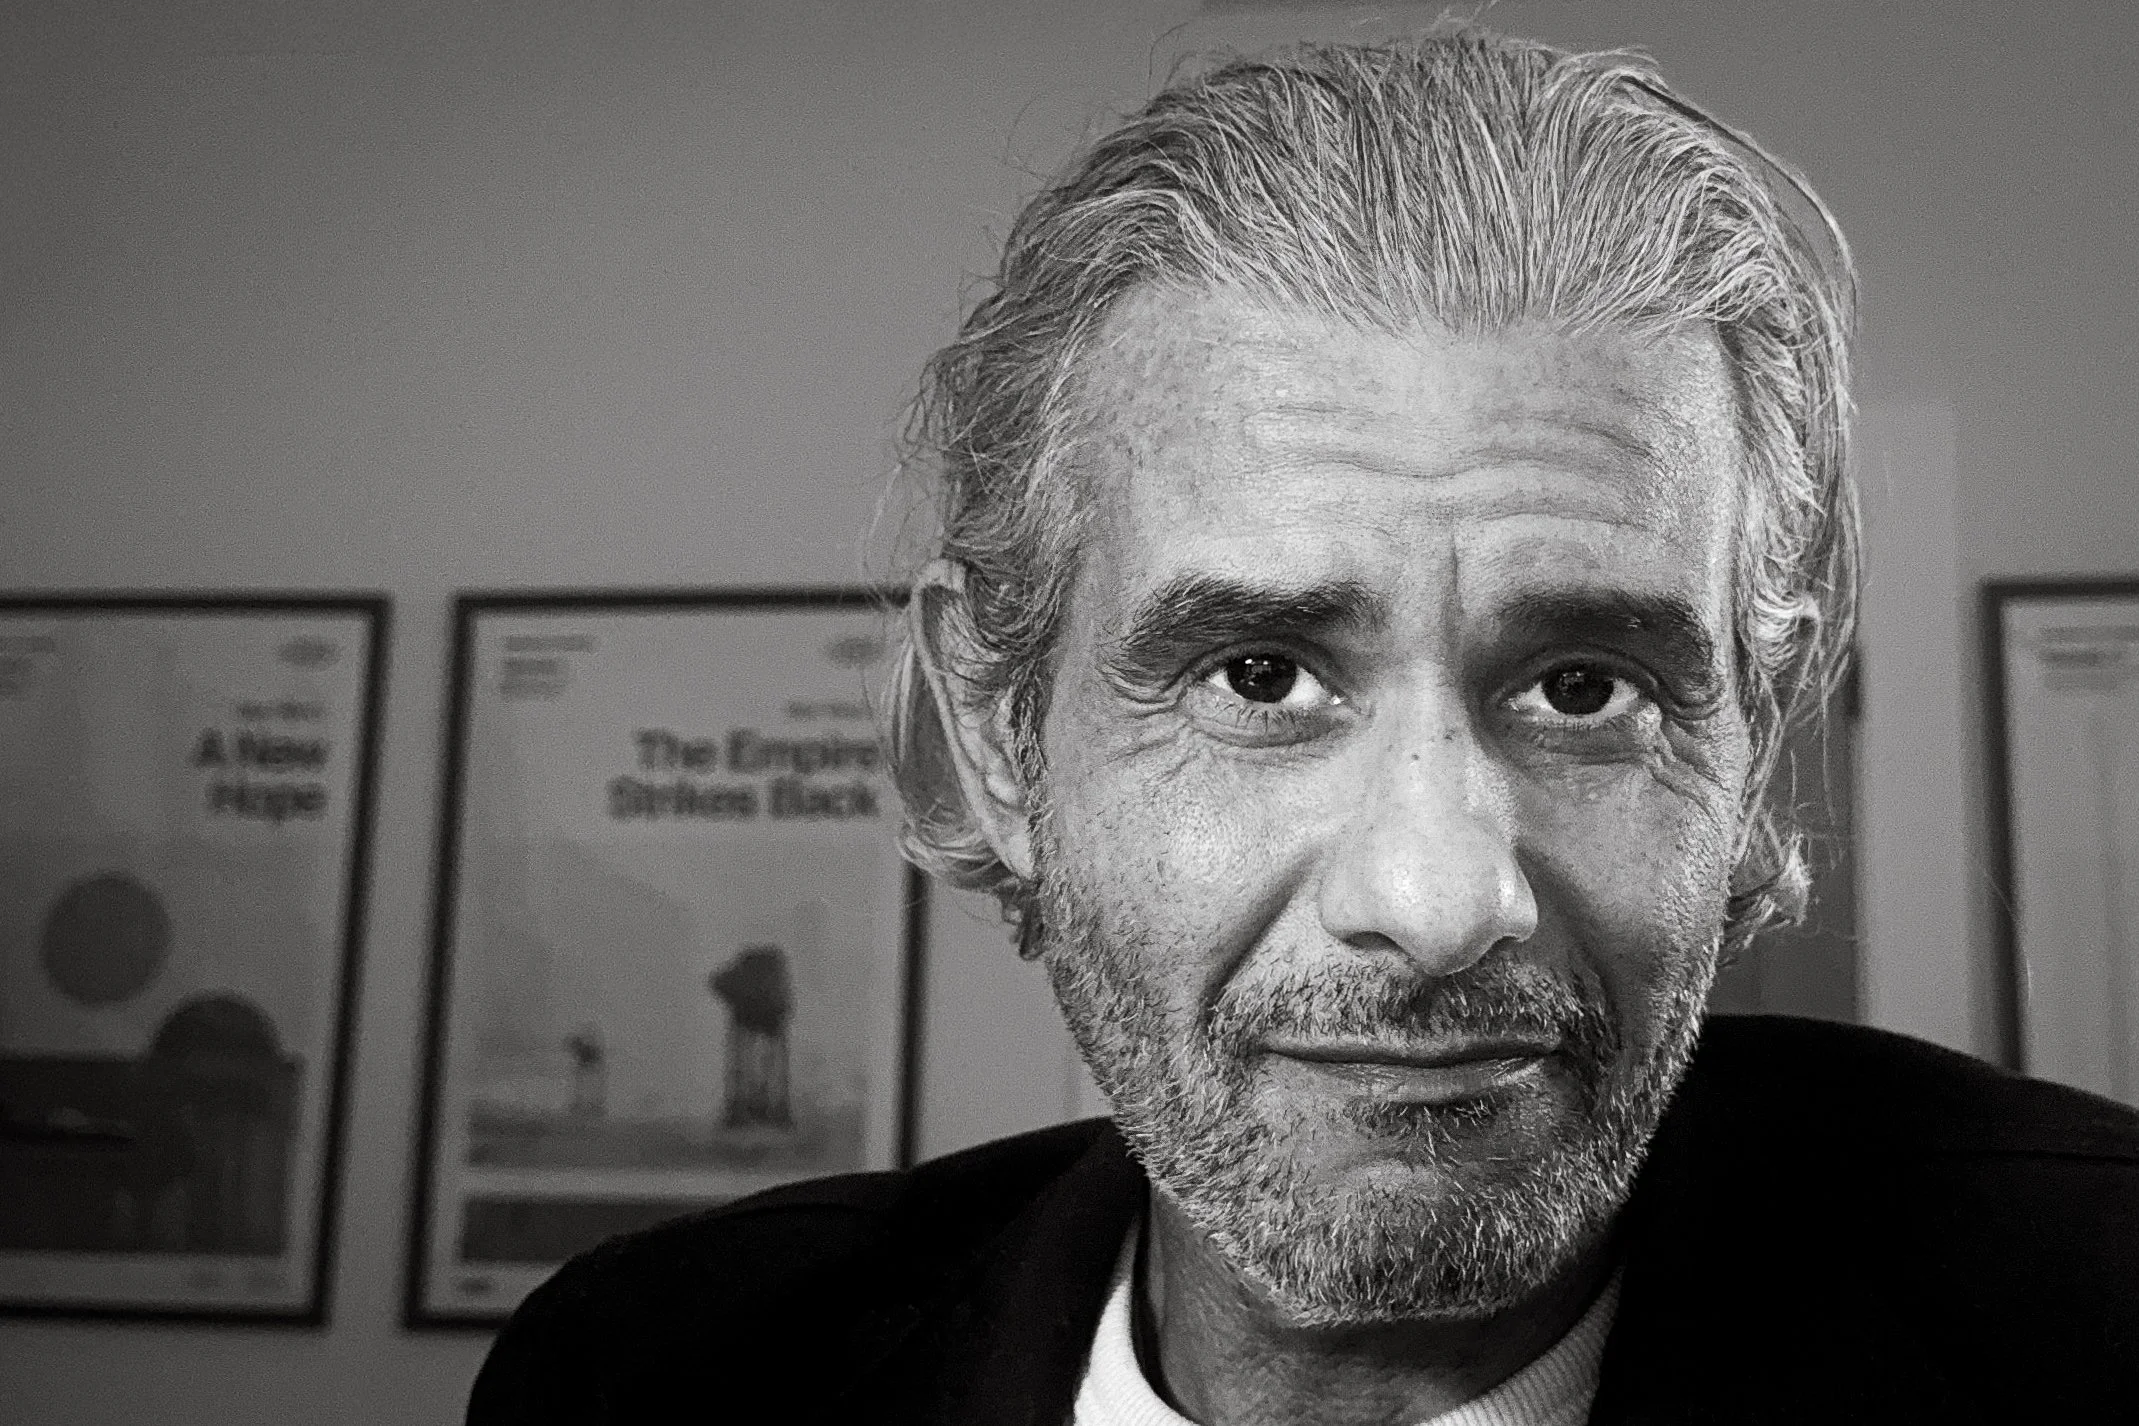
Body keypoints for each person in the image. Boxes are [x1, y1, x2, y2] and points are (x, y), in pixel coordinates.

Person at [468, 27, 2139, 1424]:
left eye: (1584, 687)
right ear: (995, 731)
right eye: (1257, 675)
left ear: (1754, 755)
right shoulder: (654, 1373)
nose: (1433, 899)